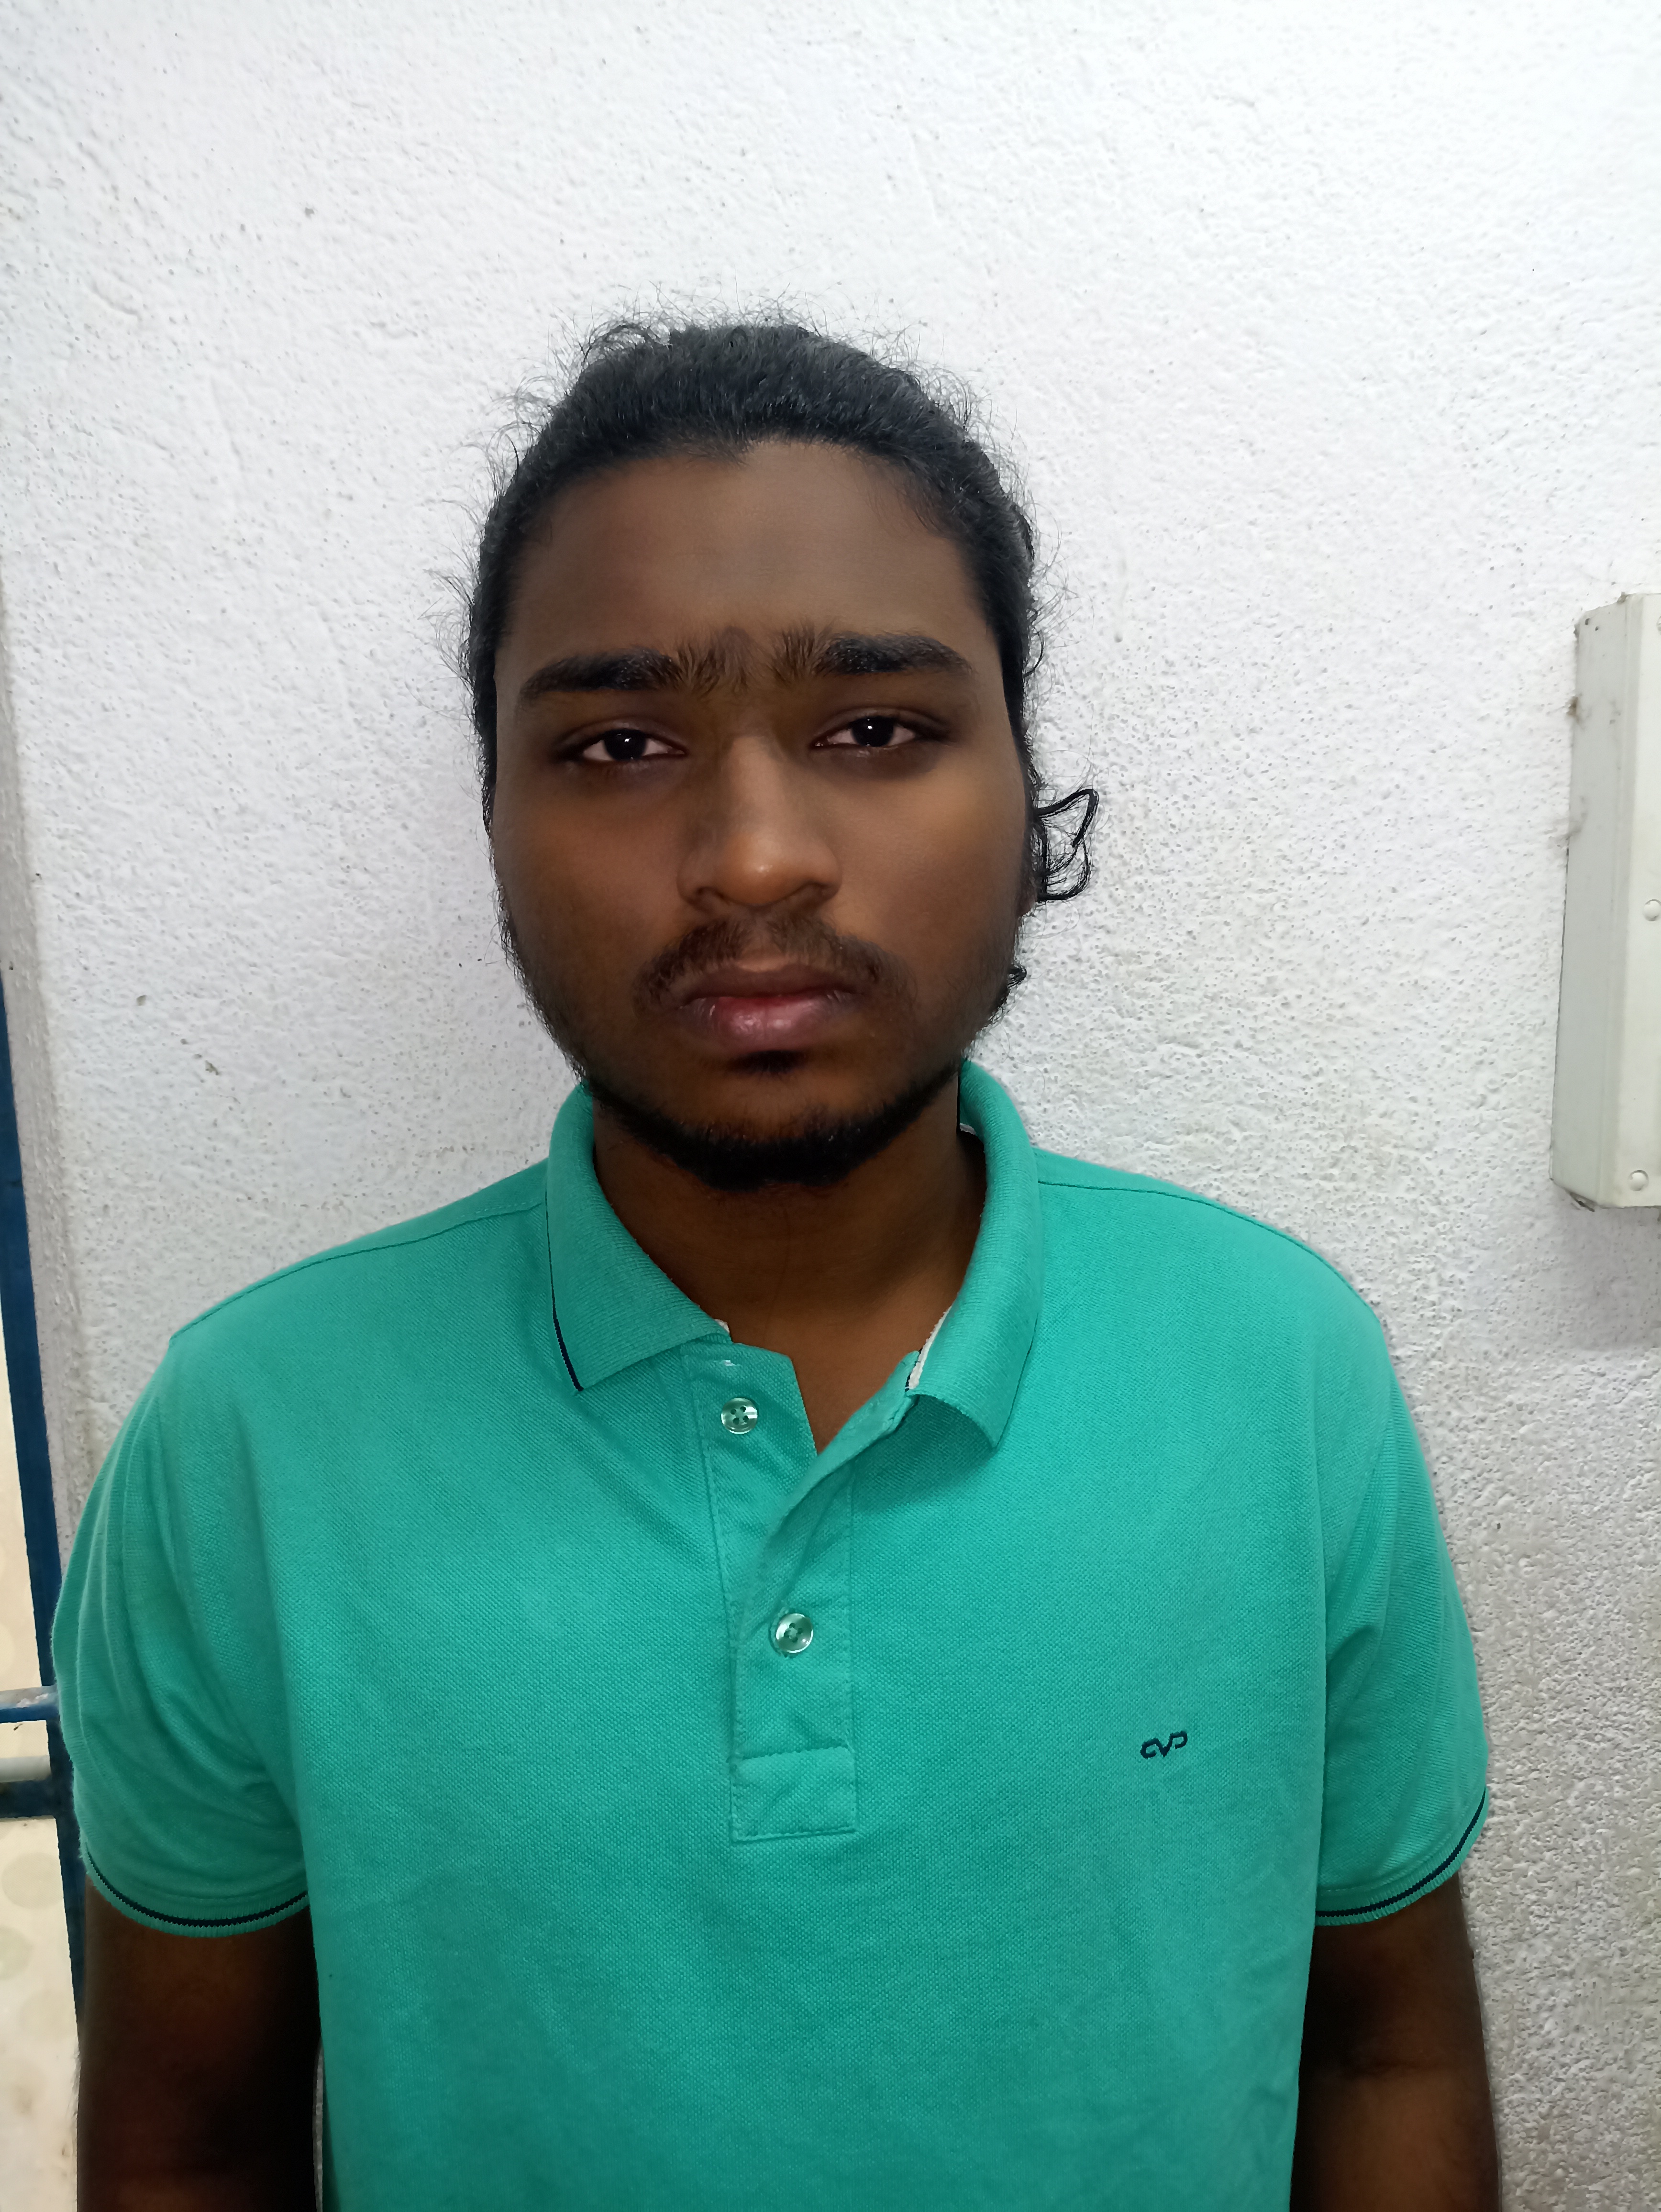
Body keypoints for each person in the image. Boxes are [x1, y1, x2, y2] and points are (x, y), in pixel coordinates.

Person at [56, 320, 1497, 2210]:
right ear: (494, 818)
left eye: (876, 728)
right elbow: (188, 2150)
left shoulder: (1276, 1365)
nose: (751, 858)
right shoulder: (252, 1440)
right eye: (621, 743)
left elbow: (1385, 2049)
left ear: (1024, 791)